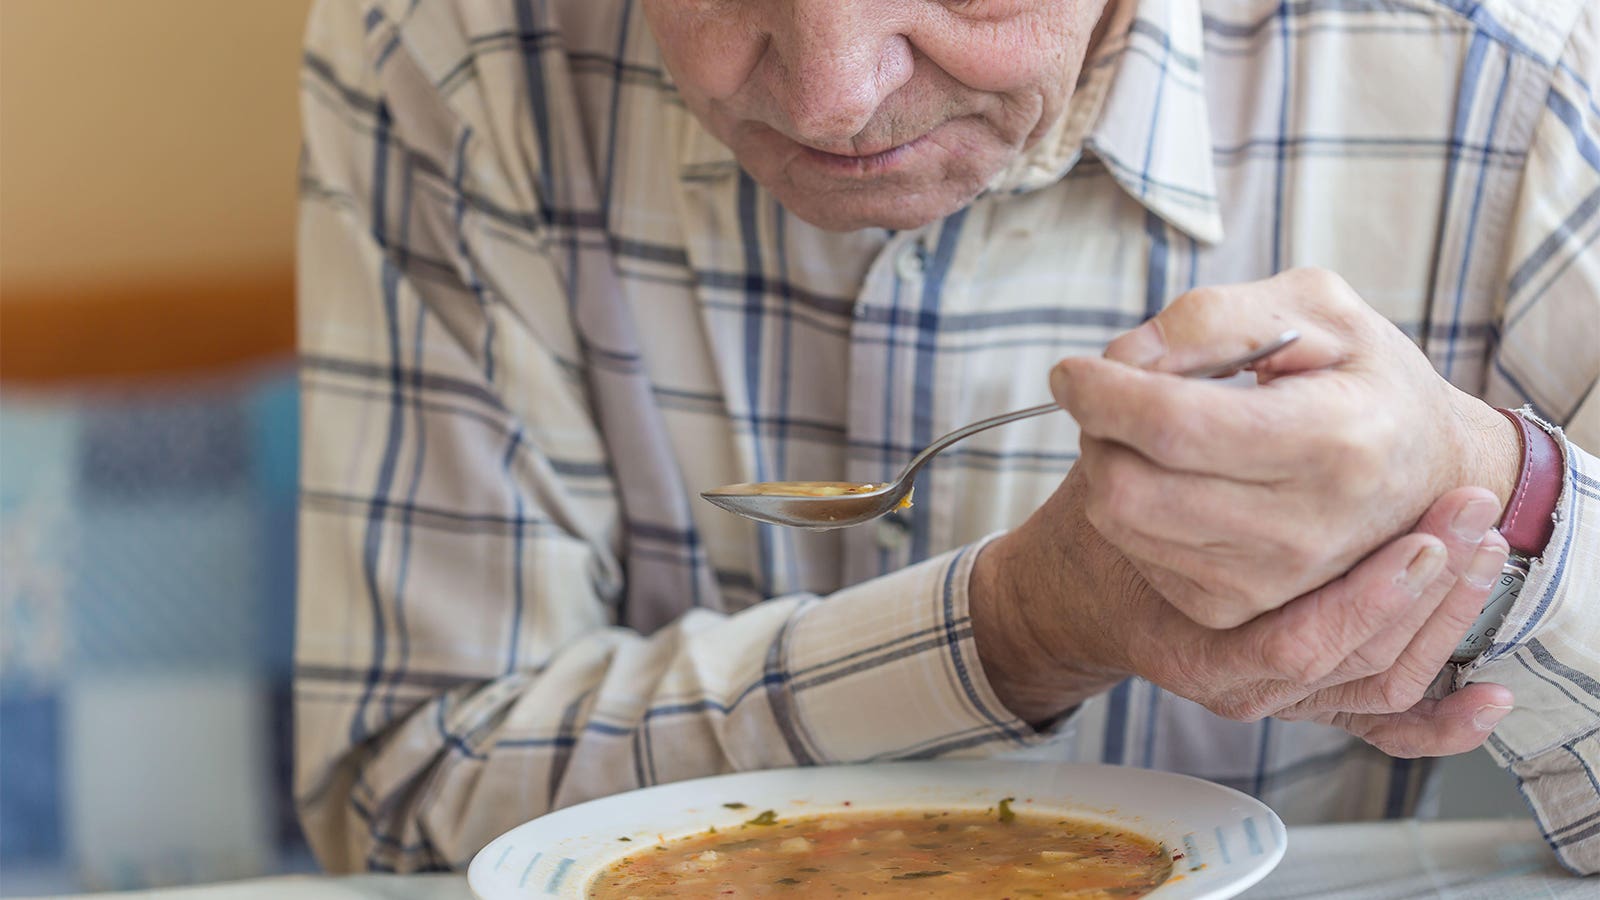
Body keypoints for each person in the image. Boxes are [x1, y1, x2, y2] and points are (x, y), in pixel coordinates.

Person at [293, 0, 1599, 874]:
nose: (830, 97)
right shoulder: (459, 45)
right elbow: (405, 805)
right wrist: (1015, 627)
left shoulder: (1511, 69)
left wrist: (1503, 490)